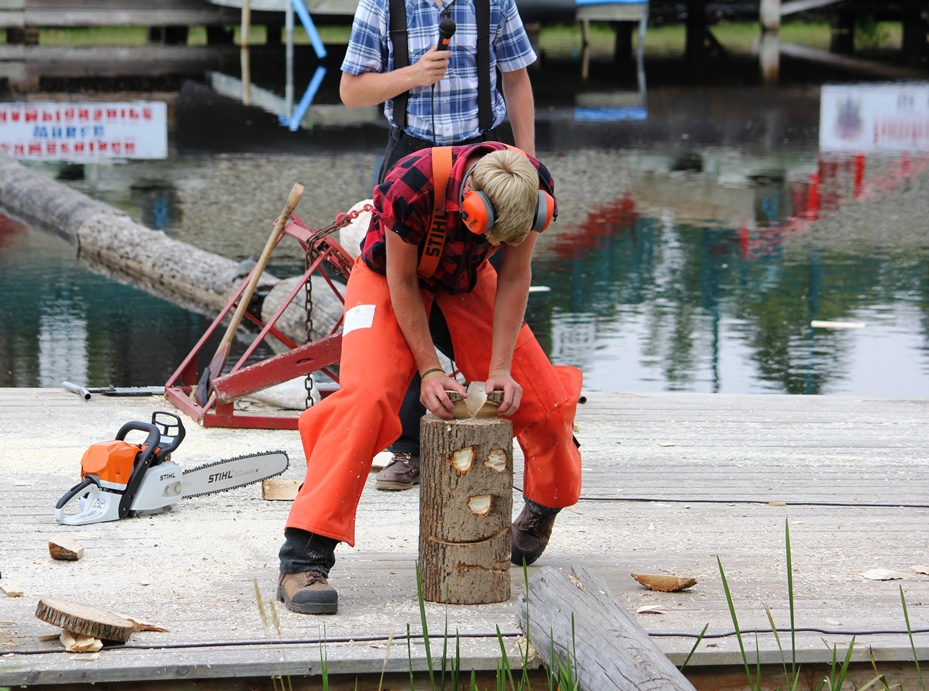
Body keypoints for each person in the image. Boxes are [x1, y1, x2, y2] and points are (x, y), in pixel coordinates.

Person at [277, 144, 583, 614]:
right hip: (388, 278)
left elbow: (515, 276)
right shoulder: (412, 183)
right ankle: (303, 558)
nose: (501, 244)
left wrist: (499, 368)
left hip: (466, 279)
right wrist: (430, 370)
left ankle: (543, 509)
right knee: (366, 400)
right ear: (472, 206)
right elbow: (402, 281)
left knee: (544, 401)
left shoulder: (530, 188)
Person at [339, 0, 539, 492]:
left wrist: (527, 162)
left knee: (476, 281)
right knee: (404, 288)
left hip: (484, 158)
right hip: (411, 154)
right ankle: (408, 446)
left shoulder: (495, 3)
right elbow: (350, 91)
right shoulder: (382, 5)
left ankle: (492, 400)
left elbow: (515, 78)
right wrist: (410, 75)